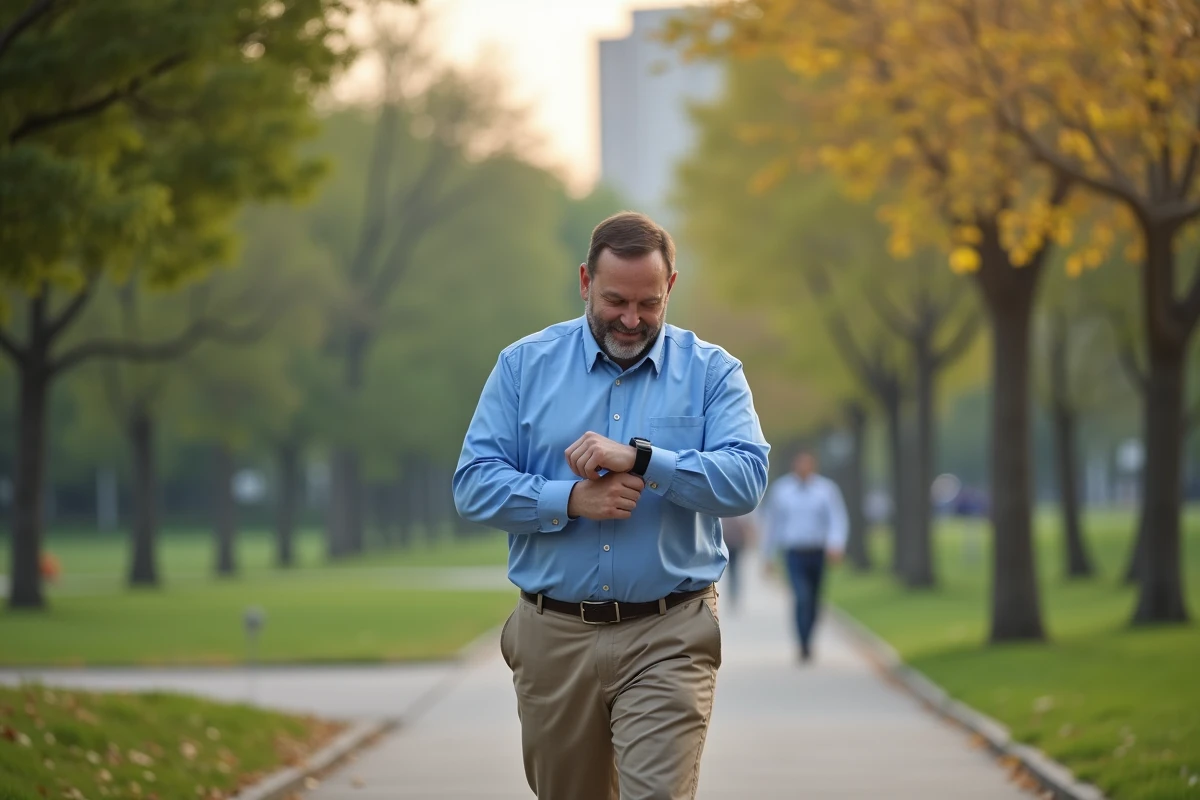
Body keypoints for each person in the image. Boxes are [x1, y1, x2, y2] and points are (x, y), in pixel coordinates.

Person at [453, 211, 770, 800]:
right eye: (615, 300)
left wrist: (646, 460)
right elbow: (474, 482)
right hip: (554, 638)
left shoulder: (713, 373)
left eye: (648, 303)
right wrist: (570, 498)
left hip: (670, 633)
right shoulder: (522, 367)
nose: (631, 319)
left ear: (671, 286)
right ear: (584, 283)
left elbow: (746, 479)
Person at [760, 446, 847, 663]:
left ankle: (810, 637)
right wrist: (768, 554)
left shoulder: (826, 490)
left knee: (815, 599)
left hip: (817, 551)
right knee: (801, 597)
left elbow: (837, 519)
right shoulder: (782, 490)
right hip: (794, 552)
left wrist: (836, 544)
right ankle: (802, 643)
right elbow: (772, 524)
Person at [717, 511, 757, 610]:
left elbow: (747, 528)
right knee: (732, 572)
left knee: (734, 571)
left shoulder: (737, 513)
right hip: (728, 545)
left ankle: (734, 595)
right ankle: (732, 595)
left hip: (735, 545)